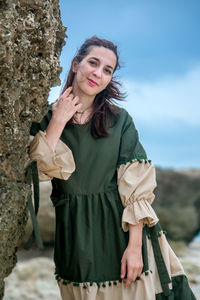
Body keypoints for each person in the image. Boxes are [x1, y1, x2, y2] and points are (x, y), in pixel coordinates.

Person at [28, 36, 196, 300]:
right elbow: (37, 171)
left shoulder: (120, 121)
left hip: (124, 234)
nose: (98, 73)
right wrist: (58, 121)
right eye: (93, 63)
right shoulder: (46, 119)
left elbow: (136, 190)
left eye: (107, 70)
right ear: (75, 64)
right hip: (74, 238)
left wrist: (135, 247)